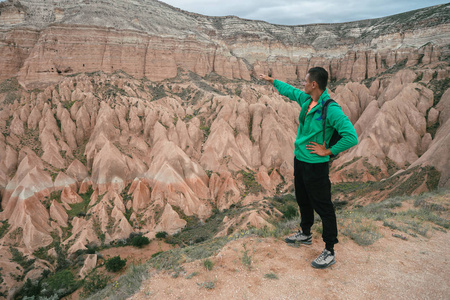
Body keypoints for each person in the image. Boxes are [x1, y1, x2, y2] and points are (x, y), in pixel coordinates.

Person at [259, 67, 358, 269]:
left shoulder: (330, 108)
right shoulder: (307, 100)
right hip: (301, 161)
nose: (302, 84)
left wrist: (328, 151)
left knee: (324, 207)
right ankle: (305, 234)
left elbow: (351, 136)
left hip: (316, 166)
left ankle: (329, 250)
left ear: (314, 84)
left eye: (305, 81)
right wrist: (272, 81)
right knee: (303, 199)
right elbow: (290, 91)